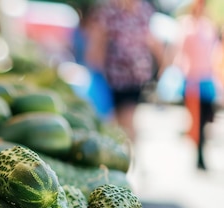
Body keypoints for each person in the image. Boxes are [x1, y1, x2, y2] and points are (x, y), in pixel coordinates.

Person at [85, 0, 165, 141]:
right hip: (112, 78)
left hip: (134, 79)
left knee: (127, 120)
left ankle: (128, 155)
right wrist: (94, 71)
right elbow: (97, 43)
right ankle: (123, 151)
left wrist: (162, 66)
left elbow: (153, 41)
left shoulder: (144, 11)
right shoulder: (110, 12)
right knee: (113, 122)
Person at [174, 0, 222, 170]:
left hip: (207, 79)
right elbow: (180, 52)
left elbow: (214, 52)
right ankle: (199, 154)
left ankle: (200, 150)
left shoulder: (209, 27)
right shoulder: (186, 25)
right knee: (196, 119)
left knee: (207, 118)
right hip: (193, 79)